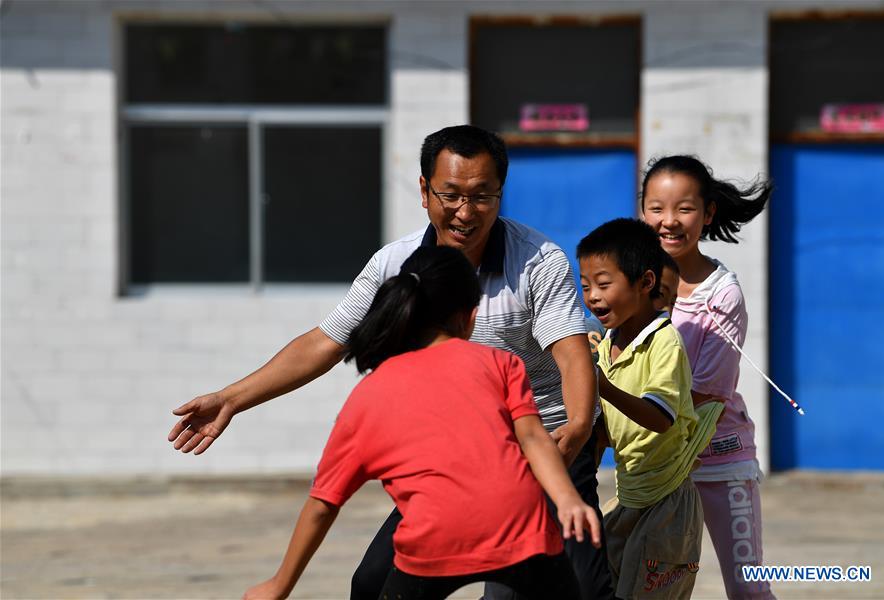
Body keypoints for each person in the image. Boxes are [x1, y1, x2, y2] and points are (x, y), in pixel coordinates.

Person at [168, 125, 614, 600]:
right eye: (452, 195)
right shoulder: (394, 265)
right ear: (424, 191)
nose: (466, 212)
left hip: (550, 446)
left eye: (483, 196)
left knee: (569, 589)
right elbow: (324, 342)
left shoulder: (538, 261)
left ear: (501, 194)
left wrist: (581, 429)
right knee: (372, 582)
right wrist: (231, 400)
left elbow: (571, 354)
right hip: (449, 460)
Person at [242, 246, 600, 600]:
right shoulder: (500, 363)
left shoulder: (368, 396)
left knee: (370, 584)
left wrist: (280, 584)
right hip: (522, 528)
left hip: (433, 538)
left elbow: (323, 503)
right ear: (470, 316)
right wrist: (567, 499)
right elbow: (534, 438)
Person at [640, 155, 774, 599]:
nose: (669, 221)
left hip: (719, 460)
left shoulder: (723, 293)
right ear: (642, 211)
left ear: (708, 213)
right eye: (656, 208)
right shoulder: (633, 281)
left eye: (684, 209)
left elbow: (705, 393)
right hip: (657, 466)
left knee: (747, 587)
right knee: (655, 589)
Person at [577, 218, 724, 600]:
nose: (592, 296)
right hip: (628, 498)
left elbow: (659, 419)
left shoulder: (665, 344)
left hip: (666, 506)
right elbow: (609, 431)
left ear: (643, 284)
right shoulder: (604, 344)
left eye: (604, 284)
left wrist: (603, 388)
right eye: (586, 285)